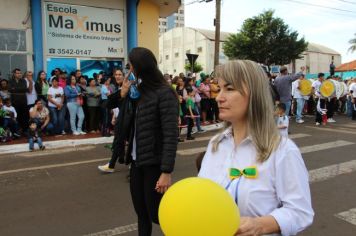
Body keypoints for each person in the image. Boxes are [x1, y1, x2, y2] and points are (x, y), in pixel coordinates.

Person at [198, 60, 314, 236]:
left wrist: (261, 225)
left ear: (254, 94)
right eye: (219, 88)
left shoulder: (282, 150)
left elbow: (300, 212)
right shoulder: (216, 144)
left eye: (229, 89)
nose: (219, 97)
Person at [109, 47, 178, 235]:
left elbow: (171, 134)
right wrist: (122, 93)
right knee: (141, 214)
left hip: (154, 165)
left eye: (131, 65)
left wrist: (166, 171)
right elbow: (108, 105)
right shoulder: (135, 92)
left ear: (140, 67)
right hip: (136, 163)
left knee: (158, 214)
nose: (128, 70)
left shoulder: (165, 93)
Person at [8, 68, 29, 133]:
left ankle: (25, 130)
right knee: (17, 117)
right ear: (14, 74)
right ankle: (17, 131)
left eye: (20, 73)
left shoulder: (23, 81)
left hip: (23, 102)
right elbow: (10, 90)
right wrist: (19, 89)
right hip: (15, 102)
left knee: (24, 117)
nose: (19, 74)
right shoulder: (11, 81)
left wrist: (15, 88)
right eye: (17, 73)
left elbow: (25, 89)